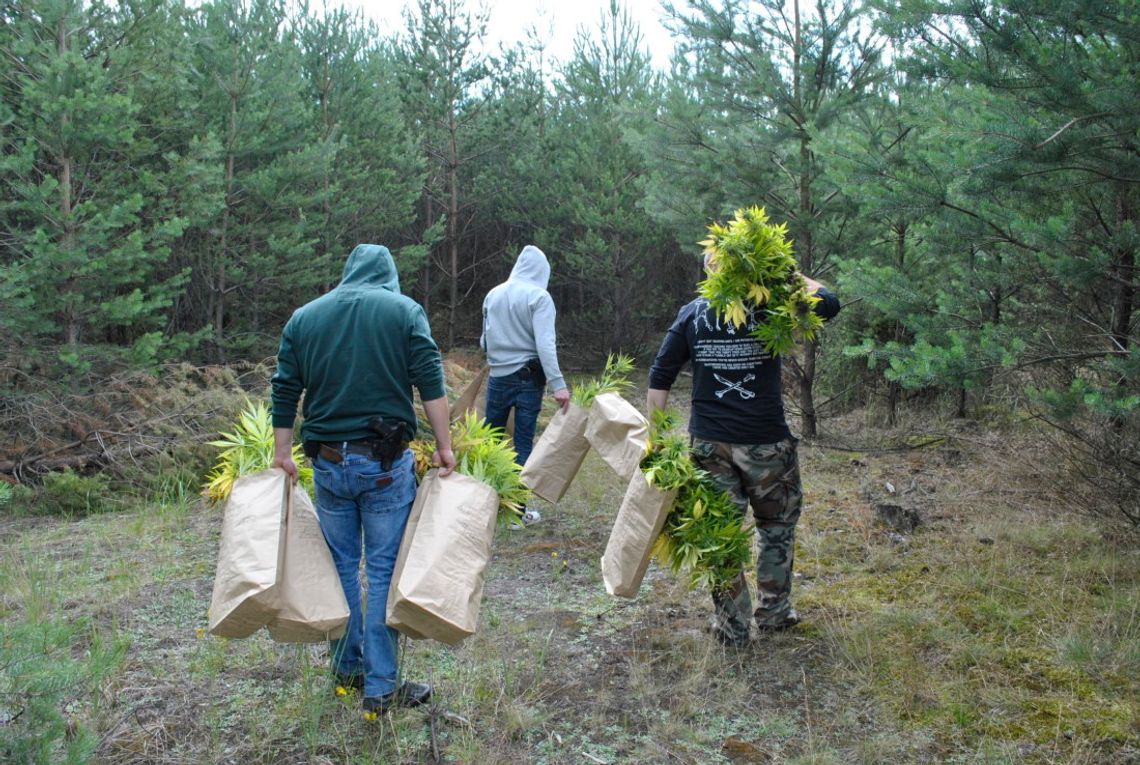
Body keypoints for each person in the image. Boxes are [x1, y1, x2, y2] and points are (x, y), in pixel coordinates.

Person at [270, 243, 456, 715]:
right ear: (387, 275)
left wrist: (281, 452)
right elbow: (430, 382)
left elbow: (285, 386)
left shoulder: (305, 318)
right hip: (384, 467)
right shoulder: (404, 312)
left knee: (340, 569)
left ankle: (347, 669)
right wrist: (444, 446)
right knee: (382, 572)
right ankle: (380, 686)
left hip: (328, 465)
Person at [646, 256, 841, 646]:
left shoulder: (693, 314)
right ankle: (774, 613)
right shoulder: (771, 306)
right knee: (777, 527)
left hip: (709, 446)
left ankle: (732, 626)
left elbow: (659, 376)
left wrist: (659, 439)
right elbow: (829, 302)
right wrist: (786, 273)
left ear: (707, 272)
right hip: (766, 444)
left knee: (719, 535)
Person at [480, 244, 570, 524]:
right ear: (542, 272)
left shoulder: (493, 294)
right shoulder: (539, 298)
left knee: (490, 441)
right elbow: (545, 344)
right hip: (528, 377)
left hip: (497, 375)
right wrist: (558, 384)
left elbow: (484, 341)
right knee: (521, 443)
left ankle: (484, 507)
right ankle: (516, 512)